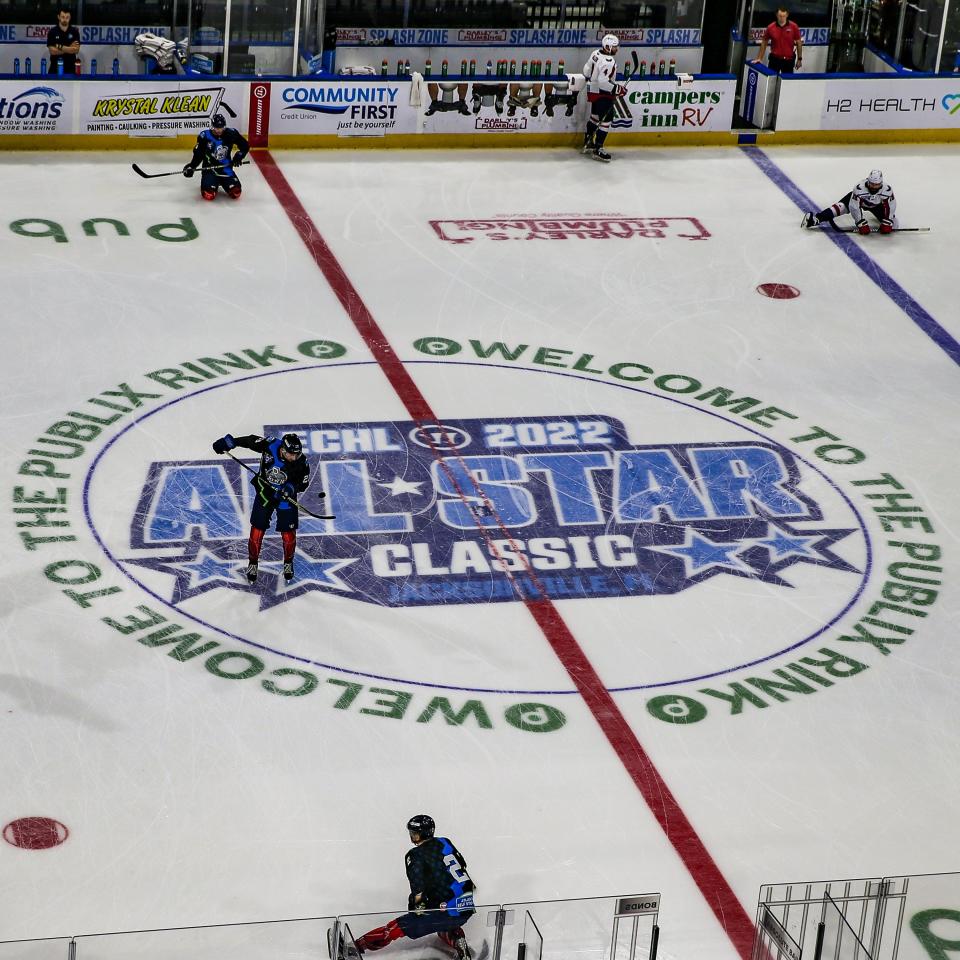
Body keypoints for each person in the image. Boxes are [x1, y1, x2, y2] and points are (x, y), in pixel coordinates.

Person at [343, 815, 475, 960]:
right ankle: (459, 942)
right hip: (466, 907)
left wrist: (416, 913)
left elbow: (418, 889)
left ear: (422, 833)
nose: (412, 836)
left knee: (394, 928)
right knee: (446, 924)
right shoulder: (445, 842)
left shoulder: (415, 855)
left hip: (442, 912)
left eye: (414, 833)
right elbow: (462, 866)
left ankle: (354, 948)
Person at [211, 432, 311, 583]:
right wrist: (230, 442)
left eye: (297, 454)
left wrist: (290, 488)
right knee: (257, 529)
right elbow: (250, 440)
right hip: (265, 494)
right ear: (283, 450)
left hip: (285, 498)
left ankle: (288, 562)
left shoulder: (302, 462)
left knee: (288, 534)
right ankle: (253, 563)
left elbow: (303, 484)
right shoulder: (270, 445)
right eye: (291, 454)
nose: (294, 457)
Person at [801, 169, 897, 234]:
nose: (874, 186)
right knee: (838, 208)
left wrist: (888, 221)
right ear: (868, 181)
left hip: (876, 205)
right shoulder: (859, 188)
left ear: (881, 183)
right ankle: (815, 219)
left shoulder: (887, 190)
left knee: (894, 224)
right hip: (855, 202)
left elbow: (890, 205)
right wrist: (860, 222)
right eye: (872, 184)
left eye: (876, 184)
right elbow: (854, 207)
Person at [183, 113, 249, 201]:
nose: (219, 130)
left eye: (221, 128)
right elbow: (199, 154)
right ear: (212, 126)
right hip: (210, 169)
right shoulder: (204, 136)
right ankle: (213, 181)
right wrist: (192, 166)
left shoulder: (231, 133)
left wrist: (239, 157)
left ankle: (222, 181)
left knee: (236, 193)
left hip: (225, 168)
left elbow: (245, 146)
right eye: (216, 128)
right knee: (208, 195)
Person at [581, 34, 626, 163]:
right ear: (609, 46)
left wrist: (591, 80)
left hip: (593, 91)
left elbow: (586, 69)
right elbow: (603, 82)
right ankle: (598, 148)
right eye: (616, 46)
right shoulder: (609, 61)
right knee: (606, 120)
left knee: (595, 117)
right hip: (603, 93)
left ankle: (588, 142)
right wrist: (618, 89)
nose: (617, 49)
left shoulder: (595, 53)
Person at [754, 7, 803, 73]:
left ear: (787, 15)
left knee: (787, 82)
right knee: (771, 81)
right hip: (774, 60)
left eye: (784, 16)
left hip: (788, 61)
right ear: (777, 15)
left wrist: (799, 59)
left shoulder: (794, 27)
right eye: (780, 16)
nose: (782, 18)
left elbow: (799, 42)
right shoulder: (770, 27)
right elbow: (764, 41)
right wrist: (759, 58)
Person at [47, 7, 81, 75]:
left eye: (67, 17)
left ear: (70, 18)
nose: (65, 19)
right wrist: (69, 48)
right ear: (58, 17)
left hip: (71, 69)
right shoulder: (52, 32)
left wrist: (59, 47)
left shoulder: (74, 31)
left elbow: (76, 50)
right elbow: (52, 51)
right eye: (63, 17)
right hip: (55, 68)